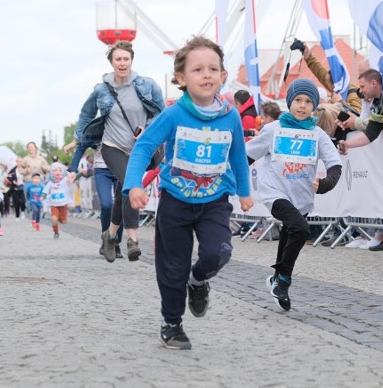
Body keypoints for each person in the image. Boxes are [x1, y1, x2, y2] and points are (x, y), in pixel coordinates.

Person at [123, 36, 253, 350]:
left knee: (217, 252)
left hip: (214, 201)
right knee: (172, 267)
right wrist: (133, 184)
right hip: (175, 202)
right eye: (197, 70)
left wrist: (245, 191)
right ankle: (172, 324)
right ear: (182, 79)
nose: (206, 75)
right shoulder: (173, 115)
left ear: (223, 76)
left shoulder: (231, 116)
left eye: (213, 69)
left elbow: (237, 155)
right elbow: (144, 147)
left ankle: (198, 282)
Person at [246, 79, 342, 311]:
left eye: (308, 102)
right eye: (298, 100)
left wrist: (326, 184)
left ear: (314, 106)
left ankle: (278, 280)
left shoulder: (318, 134)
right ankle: (285, 279)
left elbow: (335, 166)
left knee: (291, 231)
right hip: (274, 192)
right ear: (289, 102)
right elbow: (248, 156)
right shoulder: (272, 129)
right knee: (300, 229)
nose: (302, 106)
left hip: (302, 196)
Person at [70, 40, 165, 263]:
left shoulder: (148, 85)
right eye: (118, 59)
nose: (122, 63)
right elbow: (86, 114)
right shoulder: (101, 90)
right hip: (112, 147)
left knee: (124, 191)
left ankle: (110, 235)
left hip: (140, 149)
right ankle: (132, 240)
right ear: (112, 62)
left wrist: (148, 129)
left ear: (132, 60)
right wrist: (78, 139)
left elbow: (162, 113)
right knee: (131, 185)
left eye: (126, 59)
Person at [41, 162, 71, 239]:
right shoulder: (50, 183)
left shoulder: (64, 180)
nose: (57, 172)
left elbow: (73, 177)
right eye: (55, 170)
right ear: (52, 172)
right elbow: (45, 190)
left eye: (59, 170)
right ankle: (56, 232)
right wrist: (43, 196)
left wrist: (81, 173)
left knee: (63, 222)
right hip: (54, 205)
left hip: (63, 204)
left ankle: (61, 219)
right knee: (54, 219)